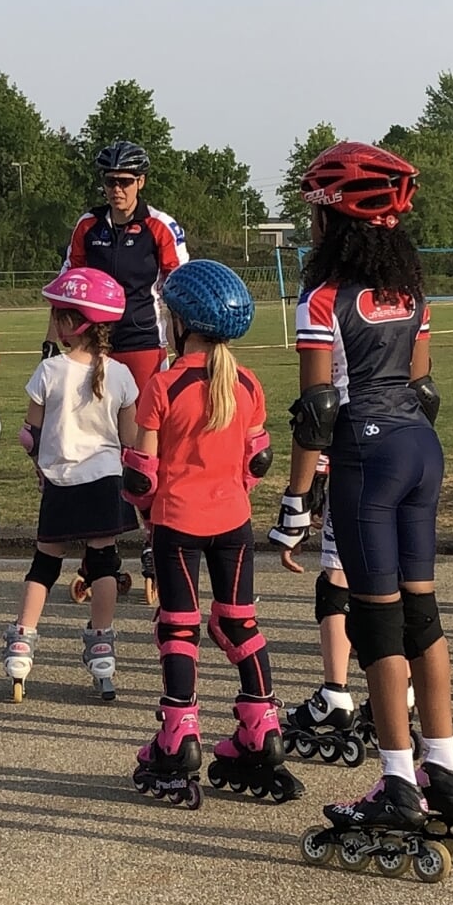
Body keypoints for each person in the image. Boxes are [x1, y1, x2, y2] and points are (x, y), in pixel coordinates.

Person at [275, 141, 453, 883]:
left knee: (376, 620)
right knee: (423, 616)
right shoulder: (410, 292)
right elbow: (423, 388)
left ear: (339, 219)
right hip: (421, 448)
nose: (311, 227)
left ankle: (397, 782)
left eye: (317, 214)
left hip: (366, 456)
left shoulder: (324, 298)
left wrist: (297, 502)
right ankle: (444, 769)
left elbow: (316, 414)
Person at [120, 259, 302, 810]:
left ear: (181, 322)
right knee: (238, 621)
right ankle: (262, 722)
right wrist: (233, 488)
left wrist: (146, 510)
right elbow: (260, 458)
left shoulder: (164, 385)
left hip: (178, 523)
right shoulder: (246, 381)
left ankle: (179, 733)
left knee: (178, 627)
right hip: (234, 523)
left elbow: (140, 474)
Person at [1, 267, 140, 703]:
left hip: (61, 483)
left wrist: (38, 462)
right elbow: (130, 440)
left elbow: (29, 434)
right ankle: (101, 648)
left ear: (70, 323)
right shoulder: (121, 375)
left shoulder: (49, 371)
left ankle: (22, 644)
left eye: (58, 315)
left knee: (45, 564)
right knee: (103, 563)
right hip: (104, 482)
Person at [63, 140, 191, 602]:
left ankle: (155, 543)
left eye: (124, 181)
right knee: (95, 448)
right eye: (109, 181)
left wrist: (182, 350)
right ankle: (101, 556)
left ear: (140, 182)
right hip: (96, 346)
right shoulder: (88, 225)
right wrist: (53, 344)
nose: (115, 190)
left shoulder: (160, 226)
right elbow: (68, 285)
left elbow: (180, 289)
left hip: (142, 345)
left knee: (141, 450)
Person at [275, 455, 419, 768]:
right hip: (409, 463)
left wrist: (300, 503)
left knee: (336, 582)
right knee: (398, 582)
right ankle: (403, 690)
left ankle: (334, 694)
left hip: (356, 470)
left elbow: (318, 425)